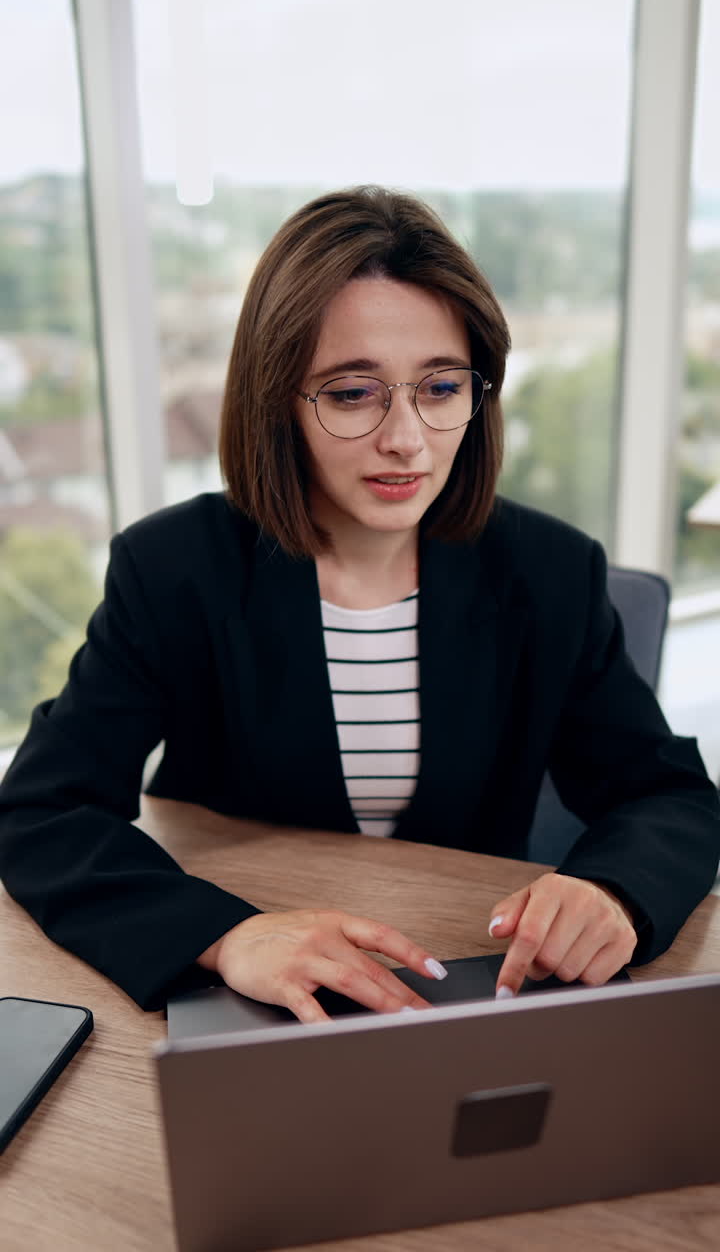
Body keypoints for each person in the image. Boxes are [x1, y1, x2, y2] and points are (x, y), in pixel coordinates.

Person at [0, 186, 718, 1023]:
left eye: (440, 388)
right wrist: (225, 935)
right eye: (352, 393)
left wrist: (614, 892)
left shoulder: (548, 571)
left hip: (465, 979)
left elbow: (671, 797)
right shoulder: (173, 569)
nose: (407, 438)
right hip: (259, 990)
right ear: (278, 402)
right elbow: (42, 809)